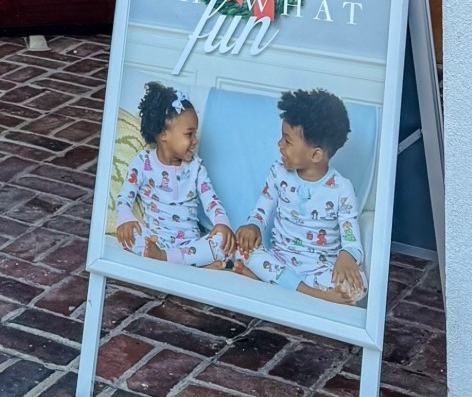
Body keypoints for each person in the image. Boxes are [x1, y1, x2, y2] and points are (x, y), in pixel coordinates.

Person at [233, 88, 367, 304]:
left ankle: (272, 282)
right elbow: (262, 208)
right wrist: (253, 226)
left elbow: (350, 235)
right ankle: (316, 295)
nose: (279, 144)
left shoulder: (342, 188)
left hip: (320, 267)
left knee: (358, 285)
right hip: (280, 258)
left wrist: (348, 255)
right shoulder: (278, 172)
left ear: (315, 154)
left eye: (287, 140)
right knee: (243, 252)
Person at [112, 81, 234, 266]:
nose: (195, 141)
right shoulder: (143, 162)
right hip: (155, 239)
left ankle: (168, 258)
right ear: (163, 135)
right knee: (129, 238)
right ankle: (194, 263)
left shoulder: (196, 166)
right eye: (189, 134)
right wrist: (125, 219)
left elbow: (212, 201)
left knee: (225, 244)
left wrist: (222, 223)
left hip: (190, 242)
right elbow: (125, 197)